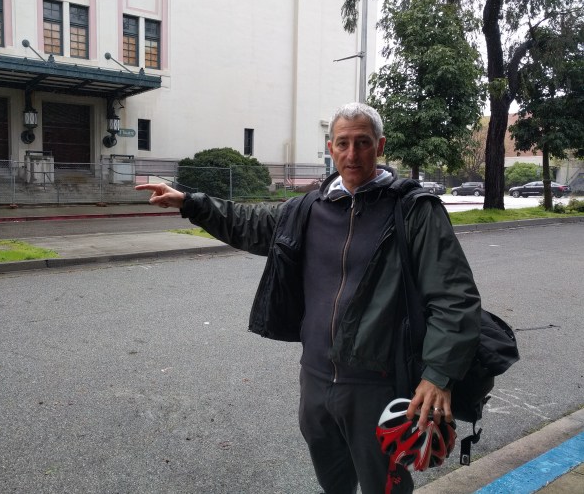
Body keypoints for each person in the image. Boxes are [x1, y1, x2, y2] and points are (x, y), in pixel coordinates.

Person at [135, 102, 481, 494]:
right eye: (344, 143)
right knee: (333, 484)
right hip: (316, 380)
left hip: (377, 386)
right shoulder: (307, 209)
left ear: (380, 146)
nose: (353, 154)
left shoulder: (413, 211)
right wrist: (190, 203)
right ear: (330, 149)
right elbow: (246, 222)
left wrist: (438, 374)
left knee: (385, 487)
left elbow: (454, 297)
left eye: (363, 143)